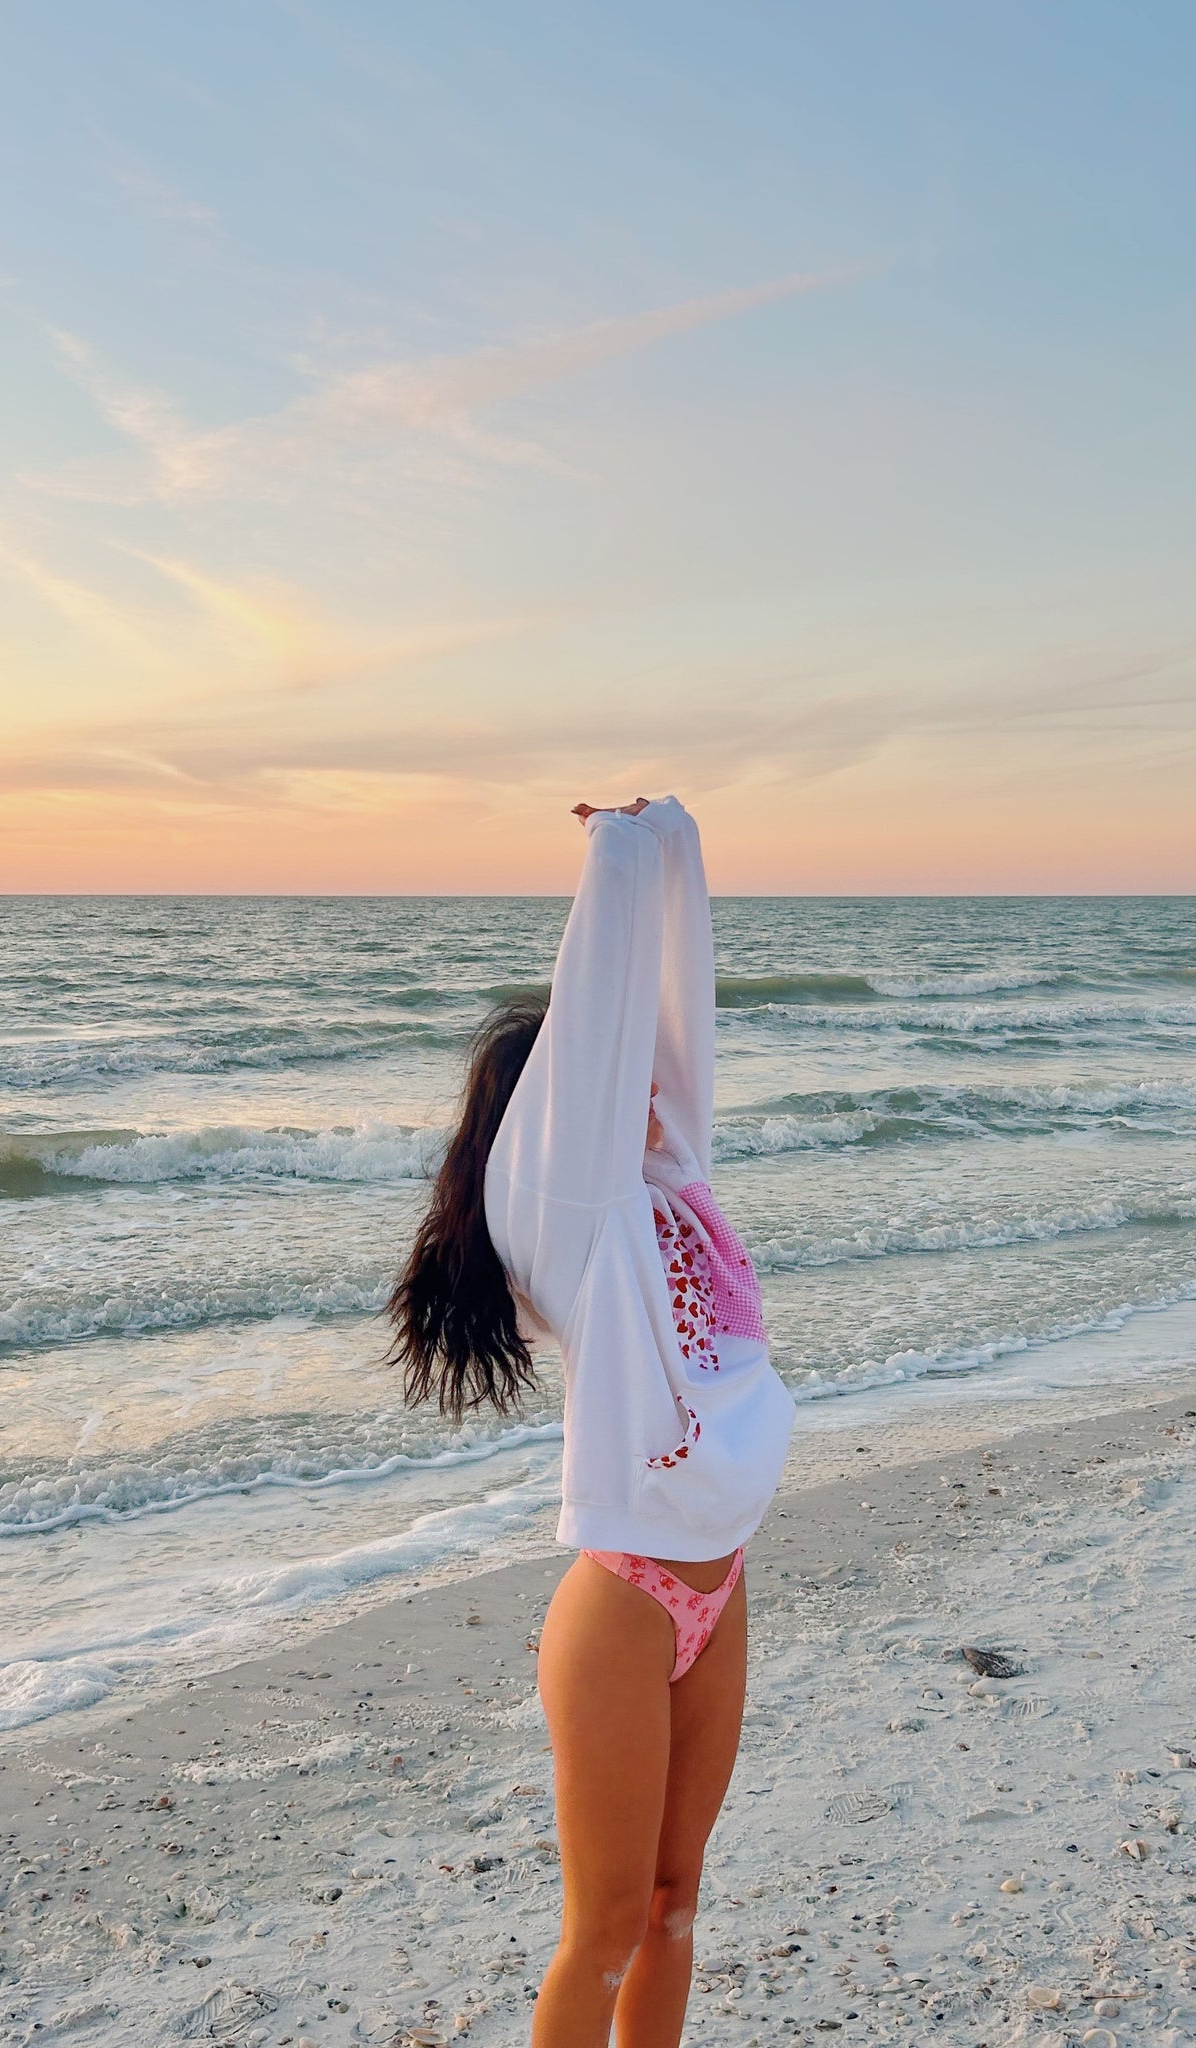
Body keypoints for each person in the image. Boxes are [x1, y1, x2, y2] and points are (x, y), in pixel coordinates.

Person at [387, 795, 794, 2046]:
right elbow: (606, 1025)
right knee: (605, 1927)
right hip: (622, 1604)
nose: (654, 1088)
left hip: (717, 1587)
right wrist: (616, 857)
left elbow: (679, 1014)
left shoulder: (675, 1193)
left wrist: (674, 846)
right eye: (621, 1079)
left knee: (676, 1905)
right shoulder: (572, 1220)